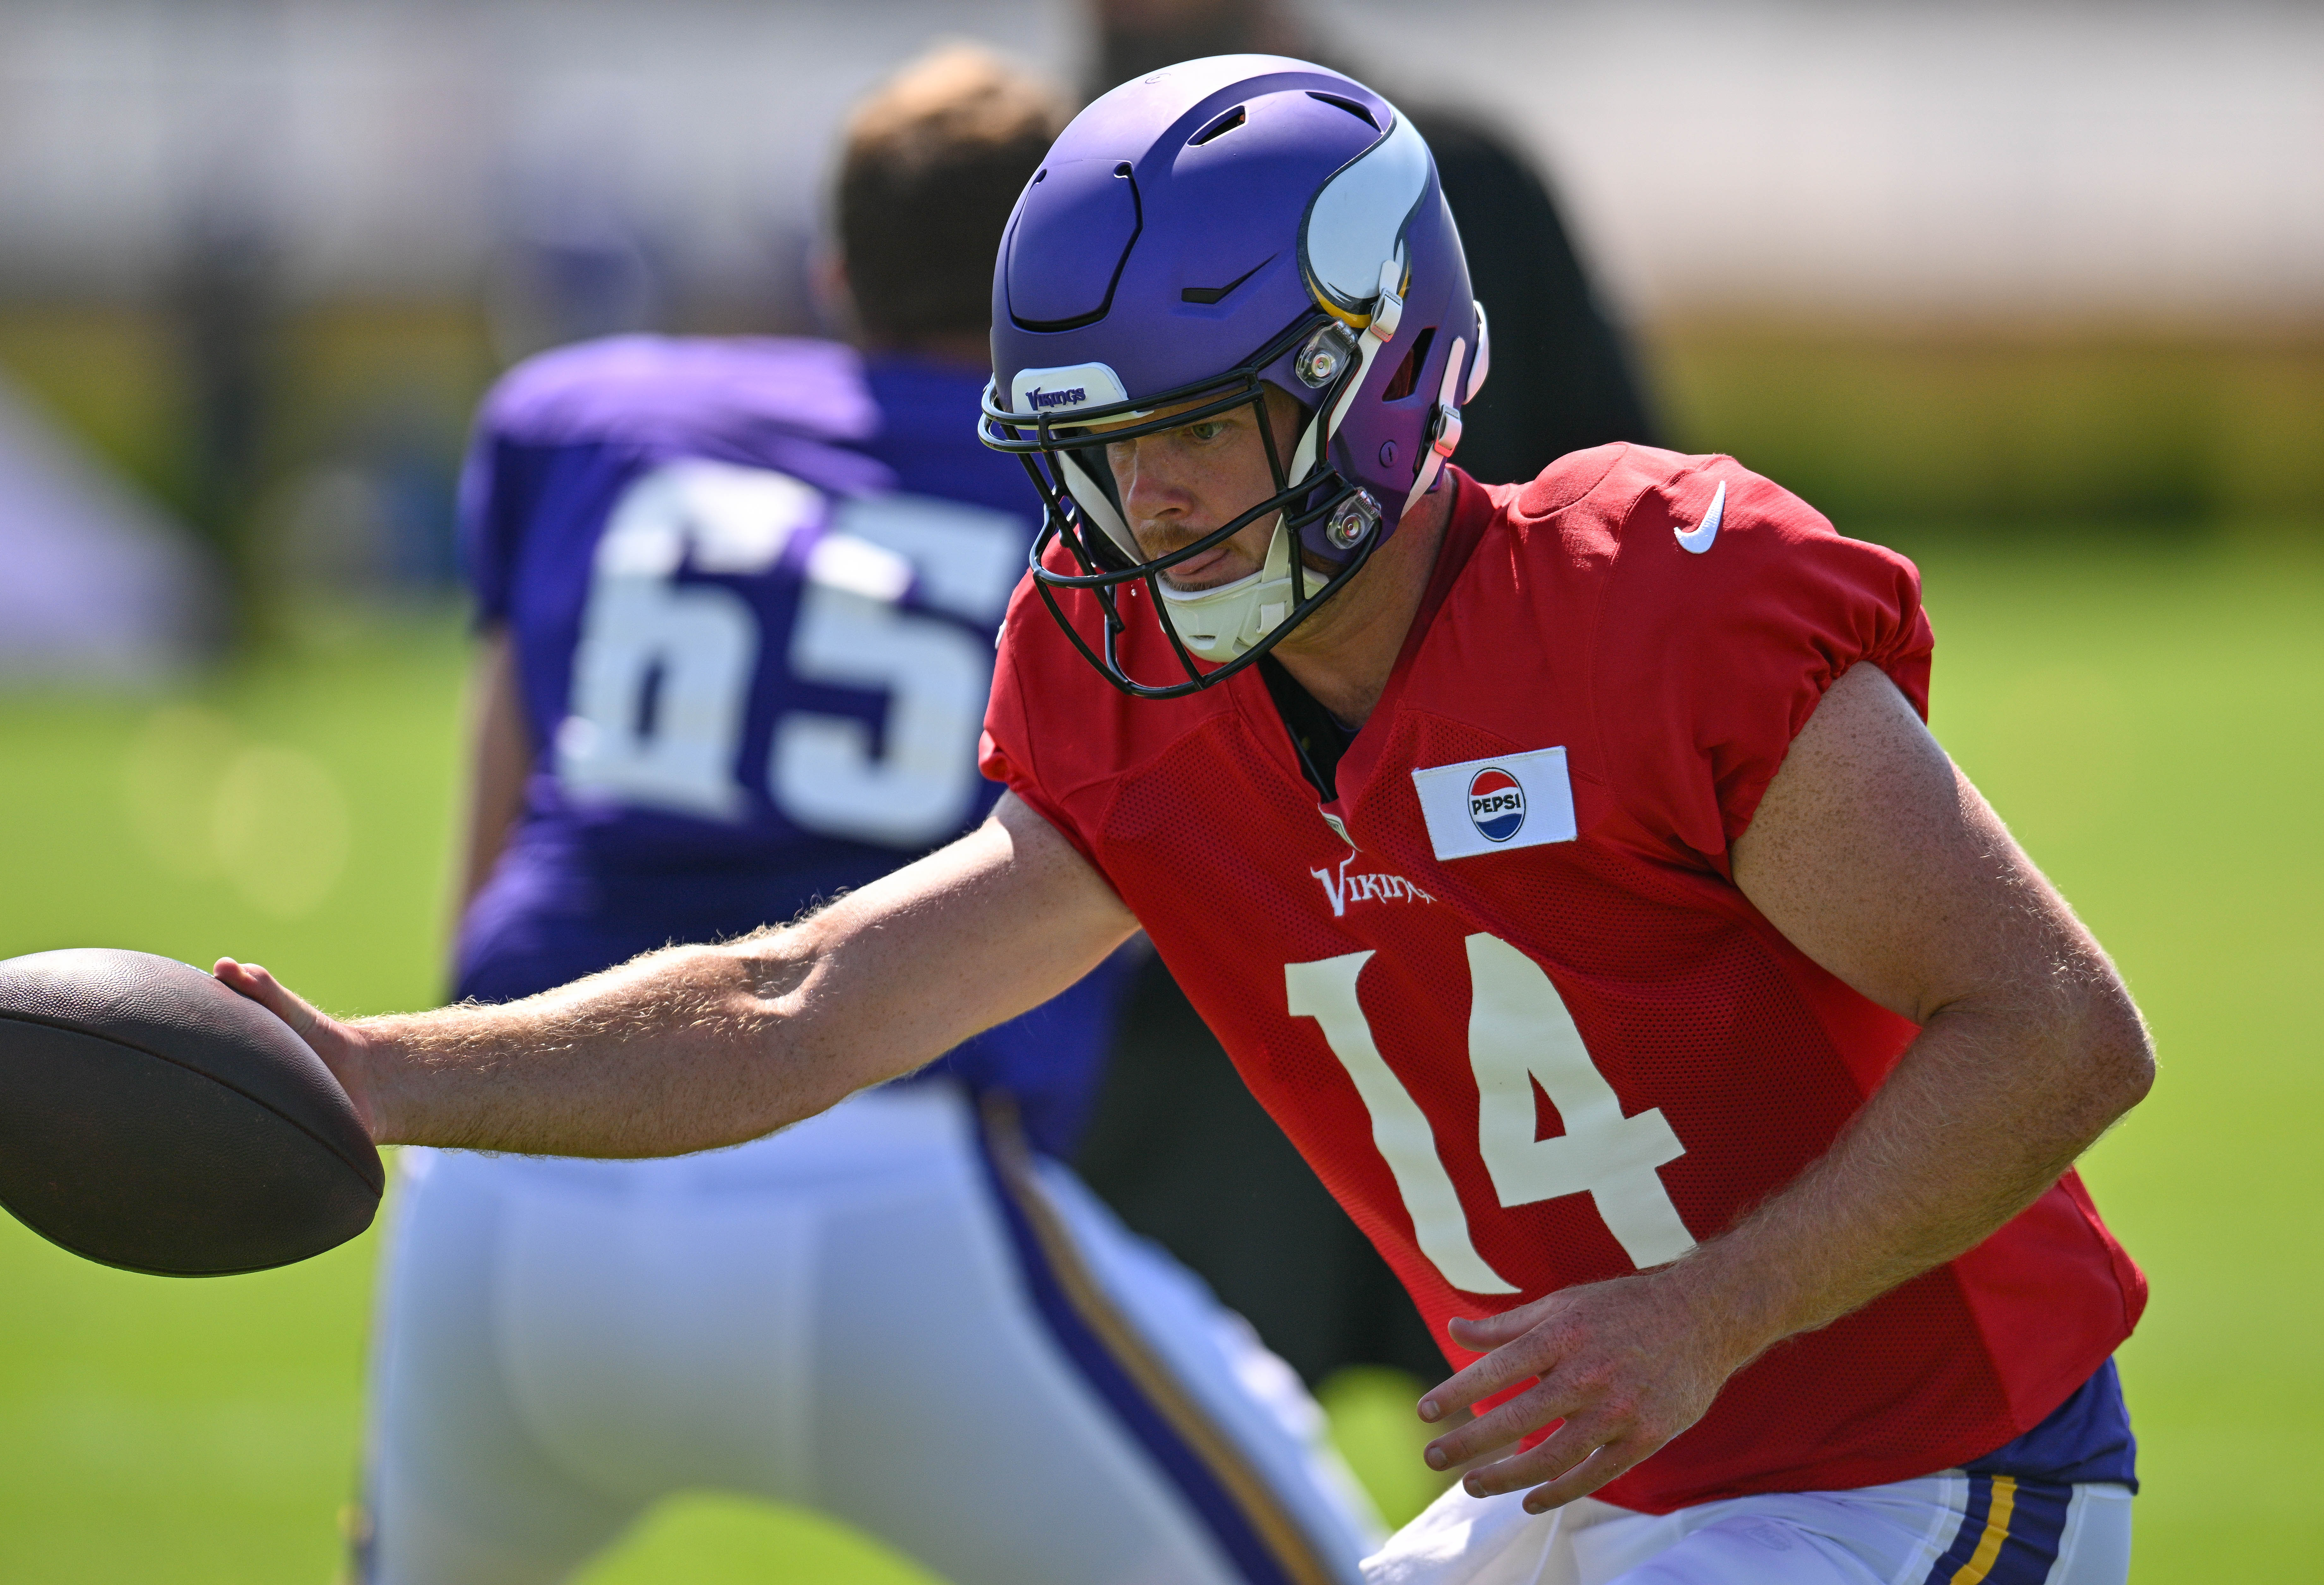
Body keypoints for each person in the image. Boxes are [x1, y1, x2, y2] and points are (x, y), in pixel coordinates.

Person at [225, 56, 2153, 1584]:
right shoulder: (1124, 683)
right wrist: (378, 1075)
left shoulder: (1656, 606)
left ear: (1381, 372)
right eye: (1092, 445)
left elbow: (2058, 1029)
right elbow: (804, 999)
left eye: (1189, 429)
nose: (1139, 506)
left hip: (1919, 1467)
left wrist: (1704, 1313)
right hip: (1601, 1488)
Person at [345, 46, 1379, 1585]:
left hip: (510, 1166)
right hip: (899, 1187)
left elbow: (495, 829)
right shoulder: (1120, 480)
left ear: (833, 267)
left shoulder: (581, 417)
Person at [1073, 0, 1659, 1397]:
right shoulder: (1066, 209)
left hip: (1510, 923)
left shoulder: (1455, 178)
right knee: (1192, 1469)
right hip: (1209, 953)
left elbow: (1621, 529)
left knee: (1591, 1463)